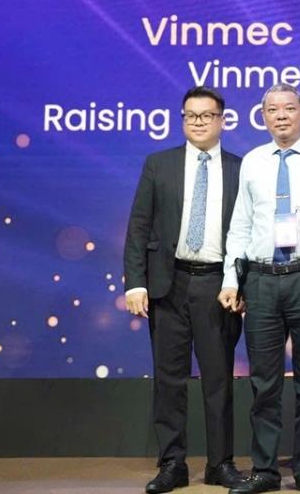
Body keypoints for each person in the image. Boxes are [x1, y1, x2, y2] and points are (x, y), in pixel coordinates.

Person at [218, 83, 300, 494]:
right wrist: (231, 277)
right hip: (260, 279)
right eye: (272, 110)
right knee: (264, 382)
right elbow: (240, 225)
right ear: (263, 117)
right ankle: (264, 471)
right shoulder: (253, 162)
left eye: (289, 108)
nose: (281, 116)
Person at [123, 85, 245, 493]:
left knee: (218, 381)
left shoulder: (241, 168)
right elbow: (139, 226)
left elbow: (249, 233)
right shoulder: (159, 164)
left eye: (206, 115)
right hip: (167, 284)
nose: (198, 122)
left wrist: (241, 283)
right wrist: (136, 283)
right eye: (190, 116)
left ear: (222, 120)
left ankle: (220, 463)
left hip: (217, 285)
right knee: (169, 379)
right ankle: (172, 464)